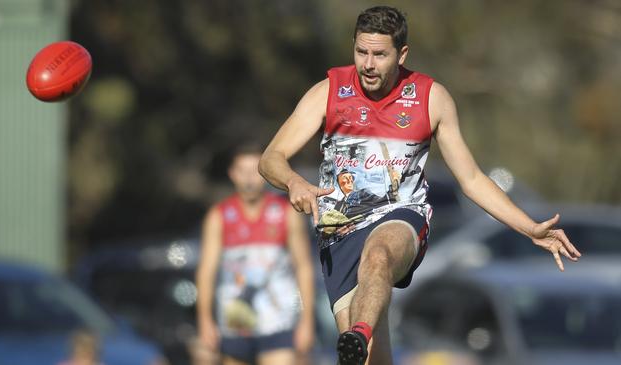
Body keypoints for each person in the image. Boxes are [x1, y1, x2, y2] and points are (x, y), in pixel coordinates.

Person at [258, 6, 581, 365]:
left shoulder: (431, 97)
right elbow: (271, 157)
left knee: (379, 257)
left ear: (402, 53)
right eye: (361, 52)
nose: (368, 64)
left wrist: (530, 228)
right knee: (371, 360)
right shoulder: (328, 92)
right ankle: (362, 340)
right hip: (340, 230)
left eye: (380, 55)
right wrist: (293, 182)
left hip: (402, 217)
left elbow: (472, 179)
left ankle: (358, 333)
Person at [196, 143, 315, 365]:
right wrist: (205, 320)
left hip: (279, 322)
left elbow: (304, 267)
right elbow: (206, 272)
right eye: (243, 171)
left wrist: (306, 321)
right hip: (235, 322)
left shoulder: (285, 213)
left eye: (256, 171)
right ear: (232, 174)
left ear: (265, 174)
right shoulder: (219, 216)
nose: (250, 178)